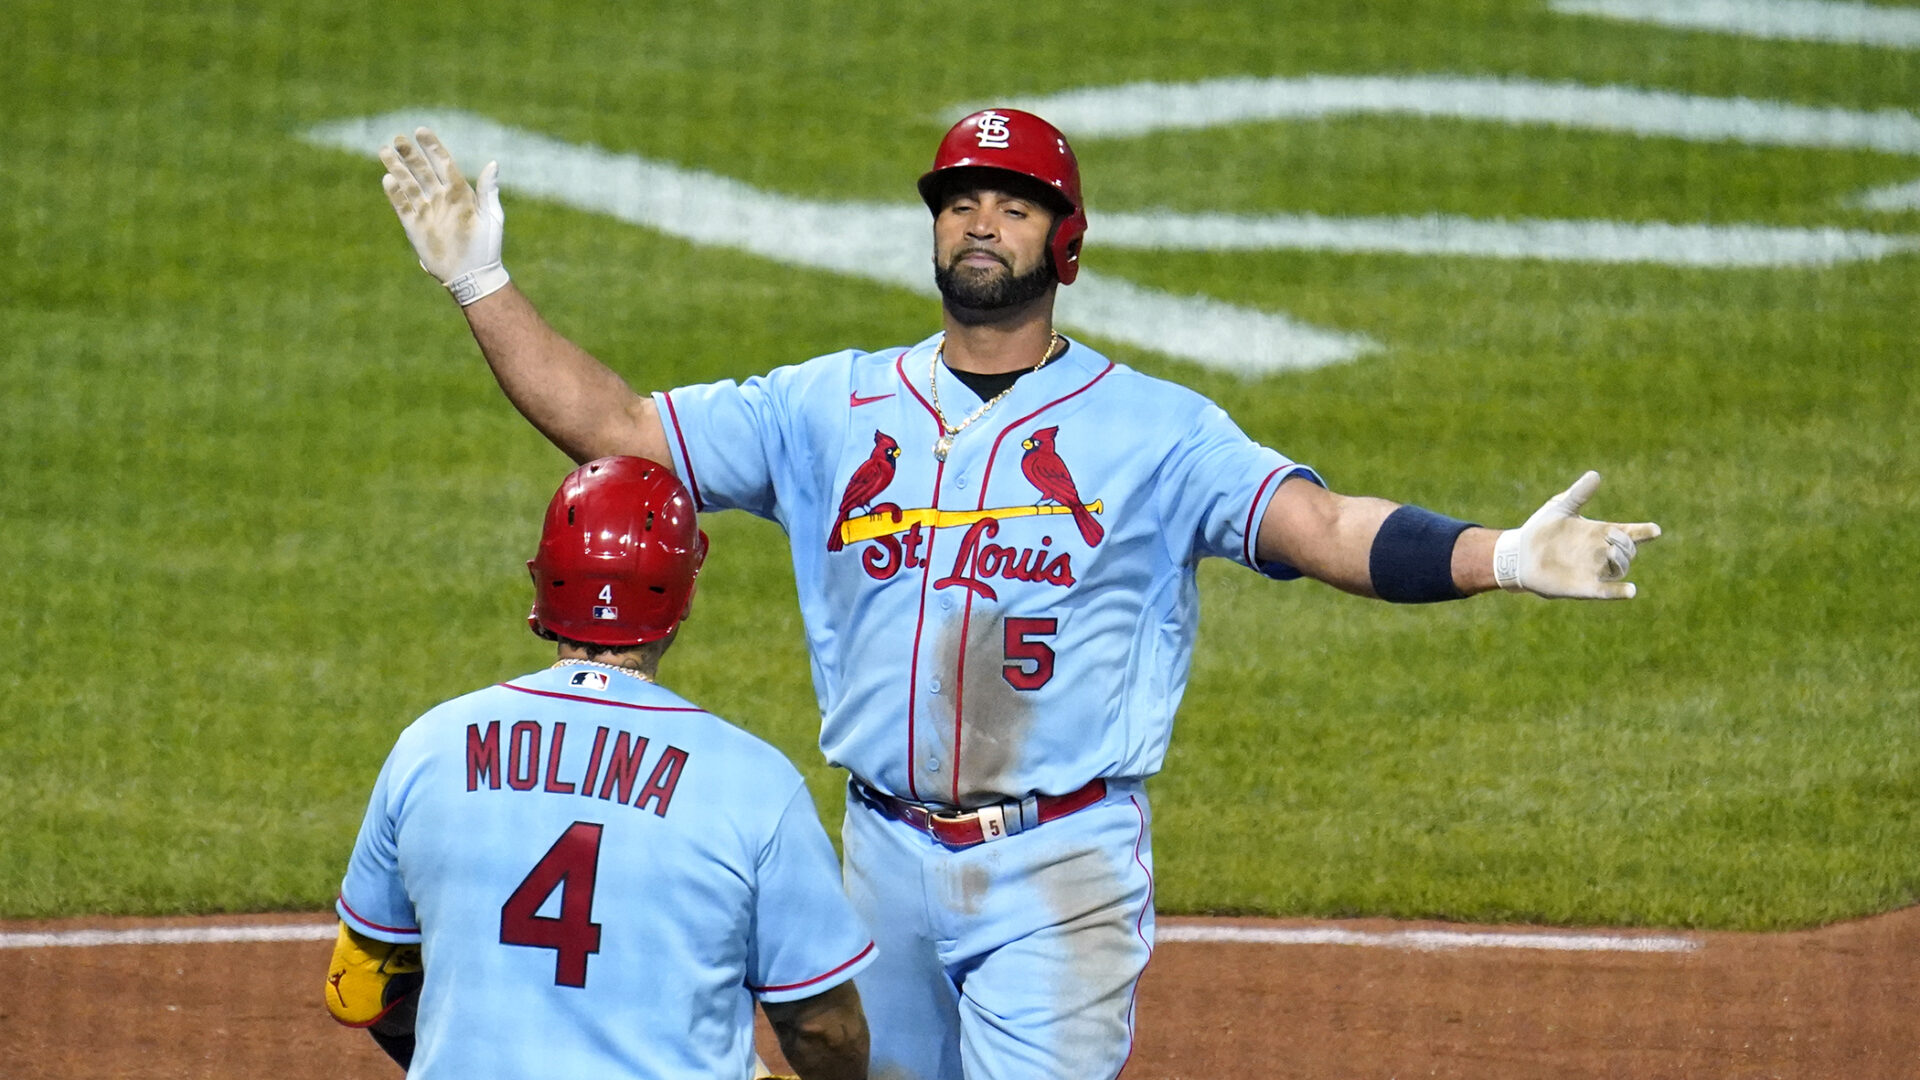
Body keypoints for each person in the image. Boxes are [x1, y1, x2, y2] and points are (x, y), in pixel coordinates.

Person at [373, 109, 1662, 1080]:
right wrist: (479, 283)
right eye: (961, 198)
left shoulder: (1156, 429)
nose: (981, 219)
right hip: (875, 854)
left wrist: (1500, 554)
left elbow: (1321, 526)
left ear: (1068, 242)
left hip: (1061, 864)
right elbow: (621, 430)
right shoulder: (830, 407)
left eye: (1017, 202)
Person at [324, 456, 873, 1080]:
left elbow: (365, 988)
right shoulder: (753, 784)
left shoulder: (428, 747)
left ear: (545, 581)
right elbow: (822, 1027)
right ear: (683, 593)